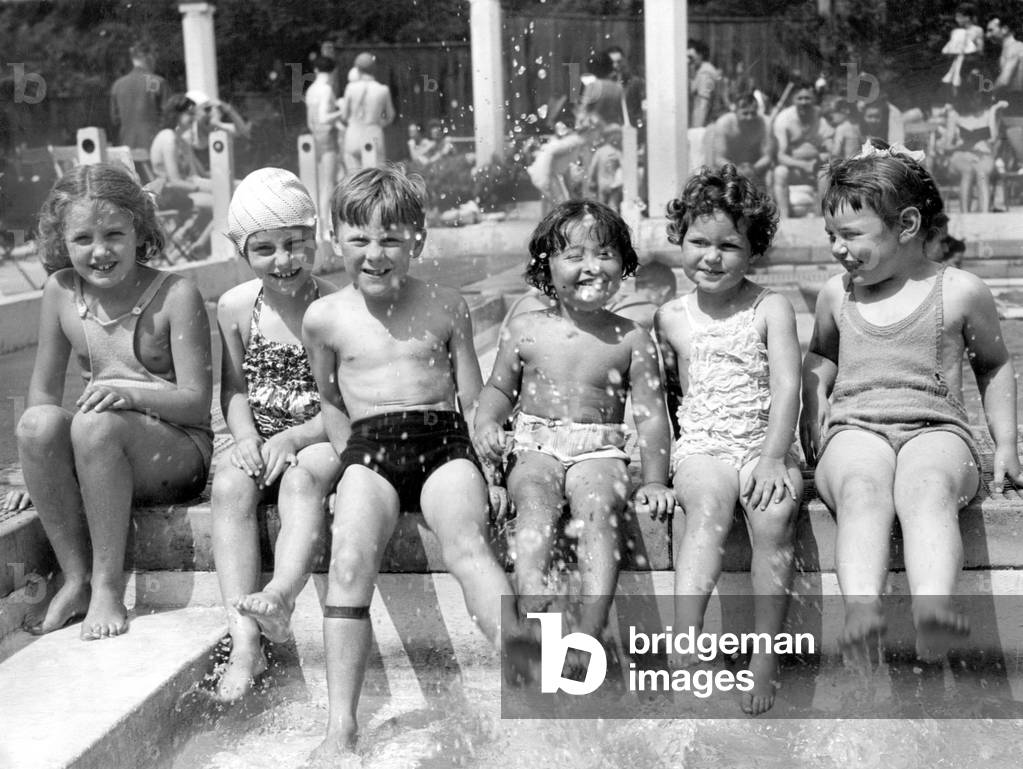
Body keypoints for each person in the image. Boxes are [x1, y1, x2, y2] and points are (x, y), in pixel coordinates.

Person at [302, 166, 523, 761]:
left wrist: (490, 469)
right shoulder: (324, 319)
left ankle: (528, 684)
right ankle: (341, 725)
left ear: (417, 241)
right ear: (335, 237)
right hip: (369, 452)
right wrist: (349, 466)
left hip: (443, 444)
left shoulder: (447, 305)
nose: (375, 254)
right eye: (359, 239)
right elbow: (329, 397)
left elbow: (473, 401)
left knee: (468, 546)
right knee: (349, 562)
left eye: (391, 239)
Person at [800, 140, 1023, 667]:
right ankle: (861, 613)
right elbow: (821, 356)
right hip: (856, 427)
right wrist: (814, 406)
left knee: (927, 489)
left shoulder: (960, 290)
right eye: (832, 235)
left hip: (936, 428)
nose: (837, 248)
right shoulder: (838, 294)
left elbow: (993, 365)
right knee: (861, 489)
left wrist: (1008, 443)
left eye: (852, 235)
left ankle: (933, 609)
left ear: (906, 225)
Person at [13, 162, 213, 640]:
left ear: (139, 230)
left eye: (114, 235)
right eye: (83, 239)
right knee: (35, 426)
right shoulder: (60, 292)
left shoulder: (175, 293)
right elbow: (42, 393)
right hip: (98, 451)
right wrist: (32, 469)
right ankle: (77, 576)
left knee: (93, 425)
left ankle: (108, 585)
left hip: (175, 453)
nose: (100, 251)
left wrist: (127, 393)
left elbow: (196, 402)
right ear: (62, 242)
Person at [474, 200, 675, 645]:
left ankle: (590, 625)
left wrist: (656, 480)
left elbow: (651, 415)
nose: (591, 267)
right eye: (574, 255)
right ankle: (532, 601)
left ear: (624, 265)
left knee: (600, 510)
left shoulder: (630, 337)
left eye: (605, 254)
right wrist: (487, 423)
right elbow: (499, 391)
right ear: (546, 267)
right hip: (535, 443)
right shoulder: (525, 328)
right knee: (534, 502)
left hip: (600, 449)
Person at [655, 164, 803, 715]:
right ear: (680, 240)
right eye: (699, 242)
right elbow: (661, 401)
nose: (711, 257)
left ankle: (765, 654)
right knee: (709, 506)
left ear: (753, 250)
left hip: (762, 442)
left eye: (729, 246)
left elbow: (789, 386)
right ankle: (686, 645)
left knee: (774, 516)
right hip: (704, 444)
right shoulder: (669, 316)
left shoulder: (770, 307)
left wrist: (771, 456)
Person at [210, 168, 340, 701]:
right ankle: (245, 639)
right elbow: (234, 389)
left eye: (295, 244)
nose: (283, 260)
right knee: (228, 488)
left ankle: (281, 597)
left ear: (315, 239)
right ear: (243, 252)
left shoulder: (333, 308)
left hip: (325, 436)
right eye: (265, 249)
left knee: (299, 483)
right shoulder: (237, 308)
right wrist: (244, 438)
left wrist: (296, 439)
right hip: (260, 440)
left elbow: (343, 403)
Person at [148, 93, 214, 259]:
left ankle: (197, 244)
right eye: (189, 113)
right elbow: (175, 181)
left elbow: (196, 175)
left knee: (225, 195)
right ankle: (196, 244)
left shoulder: (181, 140)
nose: (193, 118)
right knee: (220, 203)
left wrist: (221, 182)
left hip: (183, 191)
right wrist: (206, 187)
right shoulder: (168, 138)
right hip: (167, 193)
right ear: (176, 114)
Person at [772, 82, 833, 218]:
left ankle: (820, 217)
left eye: (807, 98)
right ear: (793, 100)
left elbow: (830, 147)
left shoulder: (820, 118)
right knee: (779, 172)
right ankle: (785, 218)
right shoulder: (784, 119)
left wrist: (820, 159)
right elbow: (780, 156)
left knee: (826, 173)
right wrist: (803, 165)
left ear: (813, 100)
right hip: (793, 169)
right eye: (800, 98)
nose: (804, 102)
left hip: (815, 168)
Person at [939, 91, 1007, 212]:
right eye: (973, 97)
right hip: (961, 154)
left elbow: (993, 138)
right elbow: (947, 145)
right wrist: (962, 146)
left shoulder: (988, 113)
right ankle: (965, 215)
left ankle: (984, 217)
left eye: (979, 97)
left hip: (983, 154)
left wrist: (996, 111)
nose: (977, 101)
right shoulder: (955, 115)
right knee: (967, 170)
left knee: (982, 173)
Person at [305, 56, 344, 240]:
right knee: (328, 185)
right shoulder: (327, 89)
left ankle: (317, 226)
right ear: (334, 71)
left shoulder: (311, 90)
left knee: (318, 184)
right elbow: (324, 117)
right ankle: (324, 228)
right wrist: (342, 111)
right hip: (327, 138)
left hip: (314, 139)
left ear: (316, 70)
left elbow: (312, 120)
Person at [110, 41, 170, 153]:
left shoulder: (117, 85)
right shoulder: (158, 82)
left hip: (126, 147)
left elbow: (115, 119)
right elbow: (169, 115)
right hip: (154, 146)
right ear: (149, 57)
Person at [340, 52, 396, 173]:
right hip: (373, 134)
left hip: (353, 135)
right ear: (374, 69)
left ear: (357, 69)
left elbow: (344, 116)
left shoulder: (350, 88)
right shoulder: (383, 89)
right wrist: (379, 123)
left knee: (354, 178)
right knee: (374, 178)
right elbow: (390, 116)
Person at [985, 13, 1023, 168]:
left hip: (1016, 99)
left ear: (1005, 29)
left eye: (991, 30)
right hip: (1014, 99)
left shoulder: (1014, 48)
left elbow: (1005, 79)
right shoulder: (1010, 48)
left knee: (1013, 139)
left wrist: (990, 93)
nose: (988, 35)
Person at [710, 93, 772, 187]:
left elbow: (767, 157)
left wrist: (753, 169)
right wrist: (736, 171)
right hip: (729, 170)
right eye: (745, 113)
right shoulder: (724, 124)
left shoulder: (765, 123)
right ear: (735, 111)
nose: (749, 117)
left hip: (756, 170)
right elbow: (718, 159)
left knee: (771, 175)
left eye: (753, 113)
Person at [580, 51, 624, 126]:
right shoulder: (618, 87)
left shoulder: (593, 85)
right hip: (614, 129)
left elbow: (583, 111)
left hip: (597, 129)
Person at [586, 122, 624, 210]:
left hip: (602, 184)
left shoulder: (599, 152)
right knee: (613, 207)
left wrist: (591, 182)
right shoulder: (617, 152)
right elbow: (624, 168)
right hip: (614, 184)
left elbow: (592, 168)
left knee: (602, 208)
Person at [688, 39, 723, 128]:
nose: (688, 61)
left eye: (691, 57)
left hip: (702, 125)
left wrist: (696, 128)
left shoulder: (705, 73)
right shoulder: (698, 71)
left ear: (700, 55)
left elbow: (703, 103)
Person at [826, 97, 863, 161]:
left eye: (834, 111)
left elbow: (835, 152)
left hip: (847, 165)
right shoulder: (856, 126)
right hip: (858, 163)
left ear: (844, 111)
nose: (832, 115)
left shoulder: (841, 128)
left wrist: (827, 142)